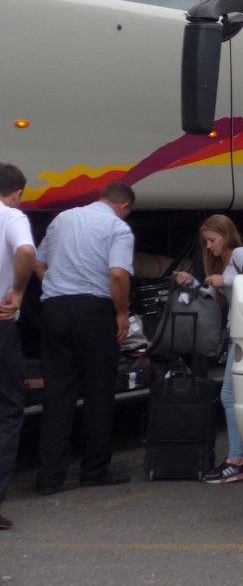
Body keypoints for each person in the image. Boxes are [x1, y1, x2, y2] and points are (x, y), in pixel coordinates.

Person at [34, 181, 135, 494]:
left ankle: (50, 478)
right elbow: (118, 274)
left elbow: (39, 262)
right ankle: (93, 470)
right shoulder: (118, 228)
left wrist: (56, 284)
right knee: (98, 393)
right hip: (94, 311)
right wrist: (121, 313)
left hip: (54, 308)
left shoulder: (62, 219)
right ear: (124, 207)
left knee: (57, 394)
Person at [174, 214, 243, 484]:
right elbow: (217, 294)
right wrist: (194, 284)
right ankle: (241, 456)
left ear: (225, 234)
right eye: (205, 242)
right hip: (239, 332)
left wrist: (225, 281)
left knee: (229, 395)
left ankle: (237, 460)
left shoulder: (241, 254)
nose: (208, 246)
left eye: (211, 240)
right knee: (236, 396)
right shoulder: (227, 263)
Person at [0, 164, 36, 530]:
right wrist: (20, 292)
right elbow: (25, 251)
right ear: (18, 193)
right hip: (0, 324)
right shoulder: (10, 216)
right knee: (8, 410)